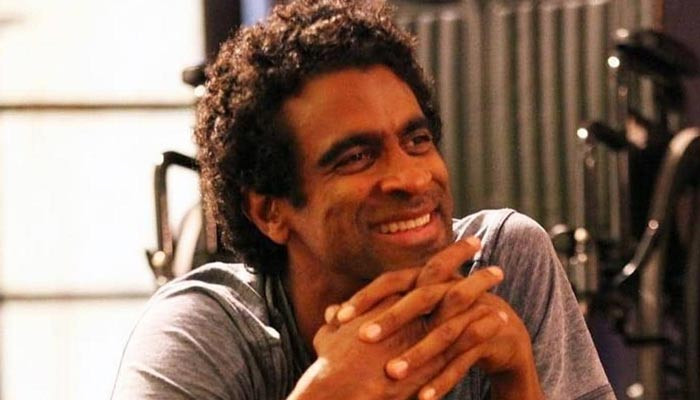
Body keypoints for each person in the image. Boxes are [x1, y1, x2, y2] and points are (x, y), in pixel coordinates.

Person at [112, 1, 615, 399]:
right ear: (270, 211)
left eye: (417, 140)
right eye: (355, 157)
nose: (412, 177)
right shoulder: (203, 335)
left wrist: (518, 379)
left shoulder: (505, 265)